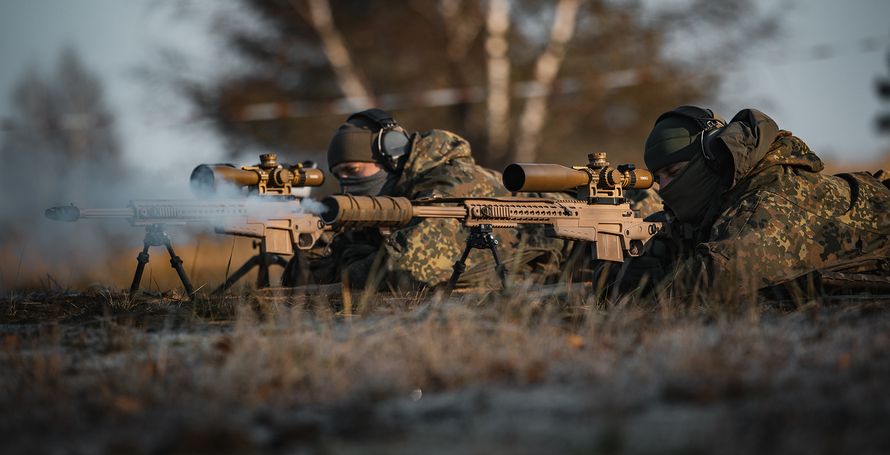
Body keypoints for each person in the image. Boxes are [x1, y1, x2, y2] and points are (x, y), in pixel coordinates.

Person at [283, 108, 569, 290]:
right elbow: (302, 284)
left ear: (391, 157)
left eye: (353, 171)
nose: (347, 184)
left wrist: (347, 266)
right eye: (339, 175)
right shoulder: (391, 199)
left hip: (576, 251)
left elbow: (411, 268)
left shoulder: (452, 181)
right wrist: (315, 238)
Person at [622, 105, 890, 295]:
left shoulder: (771, 198)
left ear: (712, 159)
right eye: (659, 177)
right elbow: (685, 234)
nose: (664, 186)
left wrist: (649, 285)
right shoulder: (725, 196)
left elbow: (719, 274)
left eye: (674, 173)